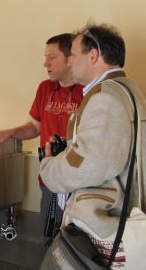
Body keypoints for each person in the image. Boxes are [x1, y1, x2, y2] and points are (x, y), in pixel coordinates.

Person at [39, 24, 146, 268]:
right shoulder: (127, 91)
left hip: (100, 225)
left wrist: (49, 167)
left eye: (74, 55)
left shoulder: (106, 98)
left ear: (94, 55)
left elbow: (90, 165)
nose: (70, 61)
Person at [0, 33, 84, 245]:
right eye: (45, 57)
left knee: (77, 247)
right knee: (50, 241)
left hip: (79, 184)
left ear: (70, 58)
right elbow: (35, 127)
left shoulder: (88, 91)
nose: (45, 63)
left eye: (52, 57)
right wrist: (11, 132)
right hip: (49, 180)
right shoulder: (45, 88)